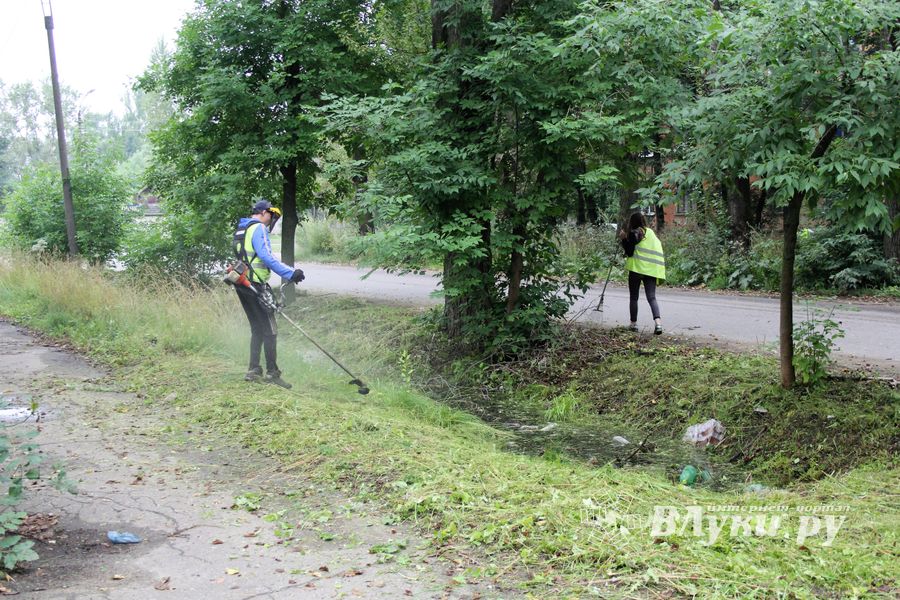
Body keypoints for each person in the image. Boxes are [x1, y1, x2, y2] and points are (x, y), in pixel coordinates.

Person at [233, 199, 305, 388]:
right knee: (270, 329)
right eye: (271, 216)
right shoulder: (258, 228)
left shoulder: (243, 229)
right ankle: (272, 373)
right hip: (255, 284)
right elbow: (266, 256)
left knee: (257, 327)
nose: (271, 221)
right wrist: (291, 273)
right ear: (264, 212)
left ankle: (254, 369)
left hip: (242, 283)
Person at [618, 212, 666, 335]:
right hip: (651, 270)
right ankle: (658, 323)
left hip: (636, 269)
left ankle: (633, 324)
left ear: (632, 222)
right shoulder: (650, 233)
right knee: (652, 297)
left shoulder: (634, 233)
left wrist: (623, 239)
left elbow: (629, 251)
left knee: (634, 297)